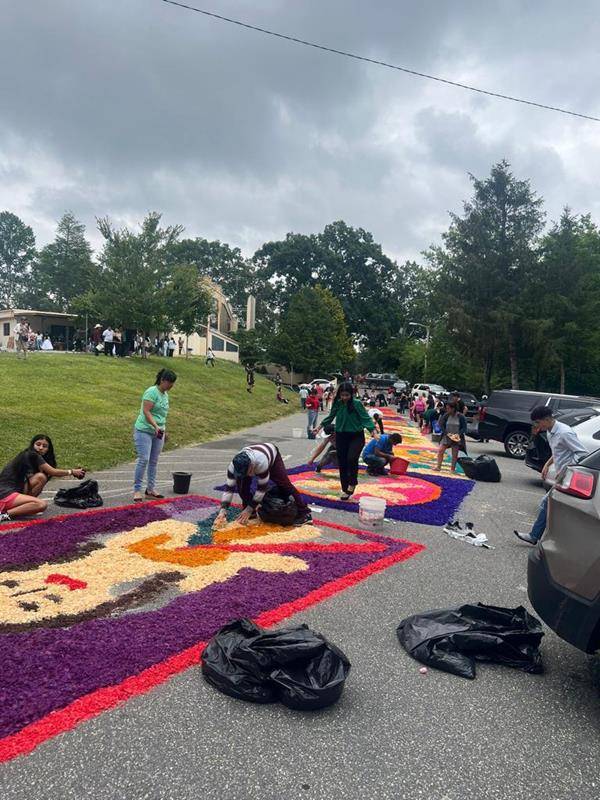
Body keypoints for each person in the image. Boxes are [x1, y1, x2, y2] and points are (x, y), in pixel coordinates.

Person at [515, 405, 588, 545]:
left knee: (548, 503)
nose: (536, 425)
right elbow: (557, 452)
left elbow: (581, 453)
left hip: (568, 476)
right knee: (552, 505)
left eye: (537, 422)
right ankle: (542, 537)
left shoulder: (565, 433)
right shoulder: (549, 431)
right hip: (561, 475)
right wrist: (547, 465)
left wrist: (567, 469)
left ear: (547, 419)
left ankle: (539, 537)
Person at [213, 442, 312, 528]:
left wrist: (249, 508)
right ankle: (251, 514)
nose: (244, 475)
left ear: (251, 466)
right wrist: (223, 509)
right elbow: (229, 489)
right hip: (254, 456)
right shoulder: (233, 467)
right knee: (242, 486)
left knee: (284, 484)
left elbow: (261, 489)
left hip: (271, 454)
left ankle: (304, 514)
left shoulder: (261, 462)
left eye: (246, 472)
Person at [0, 437, 86, 522]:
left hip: (12, 492)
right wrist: (72, 471)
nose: (41, 448)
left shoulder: (31, 457)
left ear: (48, 449)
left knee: (41, 477)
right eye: (38, 444)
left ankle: (22, 508)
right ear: (32, 445)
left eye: (44, 446)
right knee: (41, 504)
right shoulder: (32, 454)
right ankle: (4, 515)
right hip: (5, 494)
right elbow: (53, 472)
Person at [316, 382, 376, 500]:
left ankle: (352, 482)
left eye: (347, 395)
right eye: (342, 395)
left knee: (352, 458)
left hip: (356, 436)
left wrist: (373, 431)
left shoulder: (357, 404)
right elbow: (330, 417)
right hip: (341, 436)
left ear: (351, 394)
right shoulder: (337, 403)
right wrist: (319, 427)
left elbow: (365, 418)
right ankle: (345, 489)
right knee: (342, 462)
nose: (344, 398)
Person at [132, 368, 177, 502]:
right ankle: (137, 490)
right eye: (169, 382)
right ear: (162, 380)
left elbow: (161, 416)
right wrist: (156, 426)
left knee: (154, 461)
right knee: (143, 459)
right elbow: (146, 411)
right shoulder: (151, 392)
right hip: (144, 430)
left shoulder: (165, 395)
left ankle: (150, 489)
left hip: (158, 432)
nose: (171, 386)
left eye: (173, 383)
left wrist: (163, 430)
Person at [435, 401, 467, 472]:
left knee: (454, 454)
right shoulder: (446, 415)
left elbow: (464, 428)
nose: (447, 410)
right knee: (440, 451)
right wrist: (446, 433)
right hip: (447, 436)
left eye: (448, 408)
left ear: (453, 409)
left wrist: (458, 434)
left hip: (456, 437)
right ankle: (438, 467)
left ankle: (452, 469)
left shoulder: (460, 417)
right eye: (446, 408)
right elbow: (441, 424)